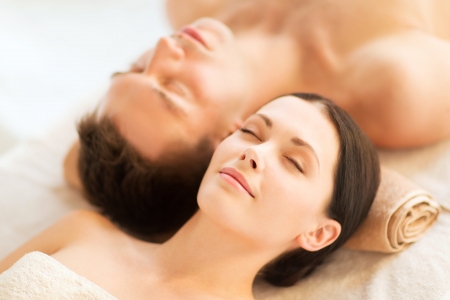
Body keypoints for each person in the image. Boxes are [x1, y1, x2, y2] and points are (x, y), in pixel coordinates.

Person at [64, 0, 450, 234]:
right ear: (230, 138)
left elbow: (74, 165)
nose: (166, 46)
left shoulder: (191, 8)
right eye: (174, 88)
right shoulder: (392, 88)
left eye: (136, 67)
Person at [0, 94, 380, 299]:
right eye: (252, 132)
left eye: (294, 162)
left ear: (318, 233)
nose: (254, 153)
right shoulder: (83, 231)